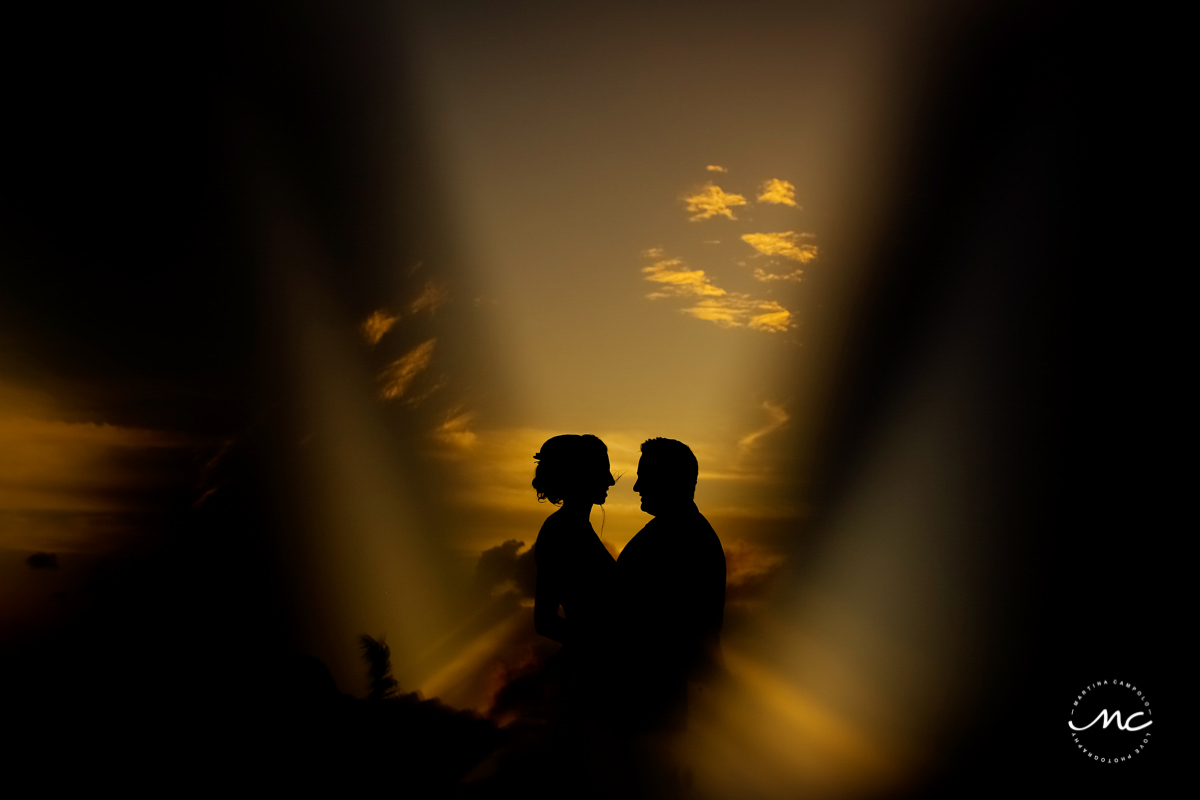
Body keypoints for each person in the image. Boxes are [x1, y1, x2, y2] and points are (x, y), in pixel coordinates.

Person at [529, 434, 621, 795]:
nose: (610, 479)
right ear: (579, 477)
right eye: (602, 471)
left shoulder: (572, 527)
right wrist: (602, 645)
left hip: (594, 678)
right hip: (587, 684)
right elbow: (544, 620)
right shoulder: (562, 531)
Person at [617, 438, 726, 738]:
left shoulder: (681, 539)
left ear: (668, 480)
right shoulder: (680, 532)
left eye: (644, 477)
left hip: (656, 704)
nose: (637, 487)